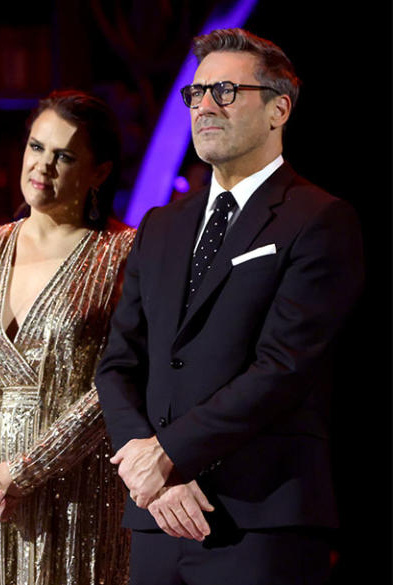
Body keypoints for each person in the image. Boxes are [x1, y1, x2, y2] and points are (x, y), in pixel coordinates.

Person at [95, 28, 364, 585]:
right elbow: (118, 363)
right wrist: (151, 471)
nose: (204, 106)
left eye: (225, 90)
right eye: (196, 94)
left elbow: (283, 368)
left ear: (278, 109)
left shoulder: (319, 220)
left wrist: (169, 453)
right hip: (157, 518)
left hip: (259, 519)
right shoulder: (160, 226)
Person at [0, 90, 134, 585]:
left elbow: (119, 381)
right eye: (36, 148)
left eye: (64, 155)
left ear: (98, 173)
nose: (43, 165)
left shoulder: (122, 253)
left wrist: (22, 473)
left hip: (77, 494)